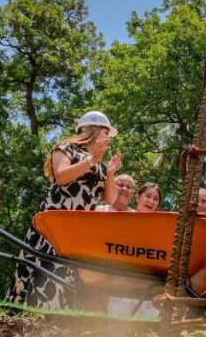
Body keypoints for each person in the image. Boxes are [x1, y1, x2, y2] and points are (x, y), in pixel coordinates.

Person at [7, 111, 122, 309]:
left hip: (78, 228)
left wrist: (110, 173)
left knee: (67, 270)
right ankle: (25, 310)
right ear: (93, 131)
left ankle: (57, 314)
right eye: (106, 132)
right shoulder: (66, 148)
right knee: (44, 264)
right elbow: (61, 177)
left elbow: (110, 198)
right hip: (55, 220)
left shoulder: (100, 164)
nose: (108, 138)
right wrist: (91, 161)